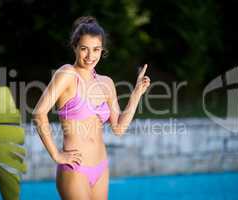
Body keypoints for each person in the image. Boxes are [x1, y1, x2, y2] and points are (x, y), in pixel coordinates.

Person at [32, 16, 150, 200]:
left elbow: (119, 128)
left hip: (101, 167)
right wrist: (56, 154)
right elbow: (39, 113)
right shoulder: (67, 74)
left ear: (102, 50)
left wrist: (136, 94)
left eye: (96, 50)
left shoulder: (106, 83)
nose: (90, 56)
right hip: (75, 169)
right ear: (75, 48)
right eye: (84, 49)